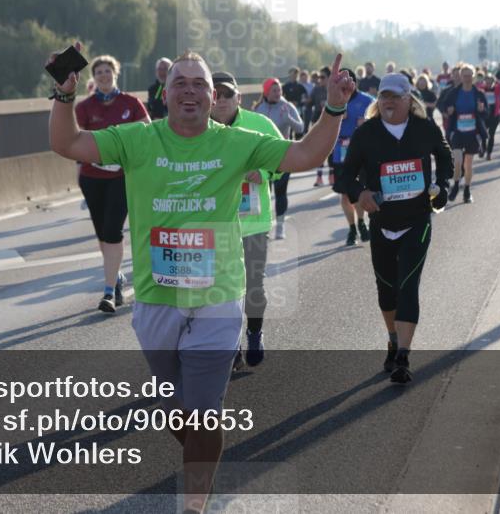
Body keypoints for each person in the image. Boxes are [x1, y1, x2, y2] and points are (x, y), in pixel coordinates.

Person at [48, 44, 354, 514]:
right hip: (156, 297)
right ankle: (203, 451)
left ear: (213, 98)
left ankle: (193, 505)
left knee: (204, 412)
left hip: (218, 296)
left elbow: (308, 153)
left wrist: (333, 107)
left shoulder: (238, 142)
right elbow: (68, 144)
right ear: (164, 94)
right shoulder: (136, 138)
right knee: (179, 414)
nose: (189, 91)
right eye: (180, 84)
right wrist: (64, 95)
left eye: (199, 85)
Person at [339, 73, 453, 384]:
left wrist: (441, 186)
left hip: (417, 220)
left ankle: (403, 355)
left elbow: (445, 158)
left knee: (408, 287)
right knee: (386, 291)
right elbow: (346, 175)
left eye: (395, 96)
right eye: (384, 96)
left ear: (408, 100)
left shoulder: (425, 128)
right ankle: (392, 338)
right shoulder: (367, 134)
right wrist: (360, 193)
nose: (388, 101)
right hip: (382, 223)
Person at [210, 71, 282, 368]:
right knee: (221, 289)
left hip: (253, 221)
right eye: (216, 94)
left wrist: (263, 173)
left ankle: (254, 332)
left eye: (228, 94)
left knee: (253, 284)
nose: (222, 100)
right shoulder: (196, 129)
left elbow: (283, 160)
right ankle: (230, 346)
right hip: (214, 224)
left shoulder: (260, 124)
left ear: (239, 98)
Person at [75, 55, 150, 313]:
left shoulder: (131, 103)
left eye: (108, 71)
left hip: (122, 176)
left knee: (112, 230)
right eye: (99, 72)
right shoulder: (84, 107)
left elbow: (146, 132)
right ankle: (115, 275)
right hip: (92, 176)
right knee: (102, 233)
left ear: (115, 73)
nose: (104, 76)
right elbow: (75, 139)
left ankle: (108, 291)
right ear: (93, 78)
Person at [254, 78, 304, 239]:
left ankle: (280, 226)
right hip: (263, 158)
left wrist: (288, 118)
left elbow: (301, 127)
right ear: (266, 92)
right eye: (274, 91)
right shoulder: (258, 108)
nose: (278, 93)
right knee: (265, 193)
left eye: (279, 90)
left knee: (280, 192)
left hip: (283, 156)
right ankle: (266, 227)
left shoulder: (287, 106)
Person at [331, 69, 375, 246]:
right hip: (340, 151)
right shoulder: (334, 101)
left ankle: (362, 222)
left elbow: (378, 124)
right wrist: (337, 118)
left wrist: (366, 123)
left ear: (354, 83)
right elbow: (323, 125)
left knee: (360, 190)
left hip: (362, 152)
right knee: (344, 194)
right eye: (340, 82)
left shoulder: (367, 101)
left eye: (347, 82)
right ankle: (352, 229)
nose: (344, 86)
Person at [439, 64, 487, 203]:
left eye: (469, 75)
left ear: (473, 76)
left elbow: (485, 114)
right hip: (457, 132)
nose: (466, 78)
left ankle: (467, 190)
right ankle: (455, 186)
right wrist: (448, 111)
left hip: (473, 133)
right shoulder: (454, 93)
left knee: (468, 164)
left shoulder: (478, 94)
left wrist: (481, 109)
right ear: (460, 76)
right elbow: (443, 104)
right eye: (464, 75)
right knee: (458, 161)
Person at [481, 73, 500, 161]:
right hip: (485, 115)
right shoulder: (482, 89)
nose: (488, 83)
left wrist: (496, 79)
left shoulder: (497, 89)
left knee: (491, 134)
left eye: (490, 81)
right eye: (487, 81)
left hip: (495, 114)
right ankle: (483, 148)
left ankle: (489, 153)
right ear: (485, 81)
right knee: (483, 134)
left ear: (493, 81)